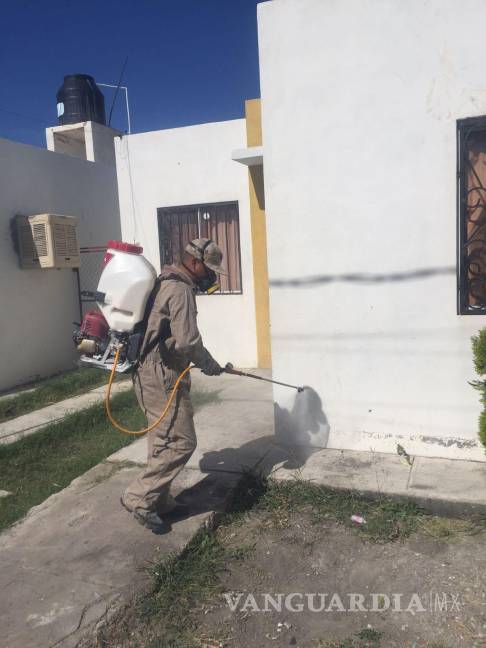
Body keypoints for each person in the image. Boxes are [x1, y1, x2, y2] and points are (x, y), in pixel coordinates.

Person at [121, 238, 226, 533]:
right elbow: (188, 341)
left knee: (163, 439)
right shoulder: (180, 290)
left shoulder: (165, 281)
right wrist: (209, 364)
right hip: (160, 373)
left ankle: (159, 500)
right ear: (194, 263)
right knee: (181, 441)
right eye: (209, 269)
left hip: (153, 371)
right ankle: (139, 498)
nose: (211, 276)